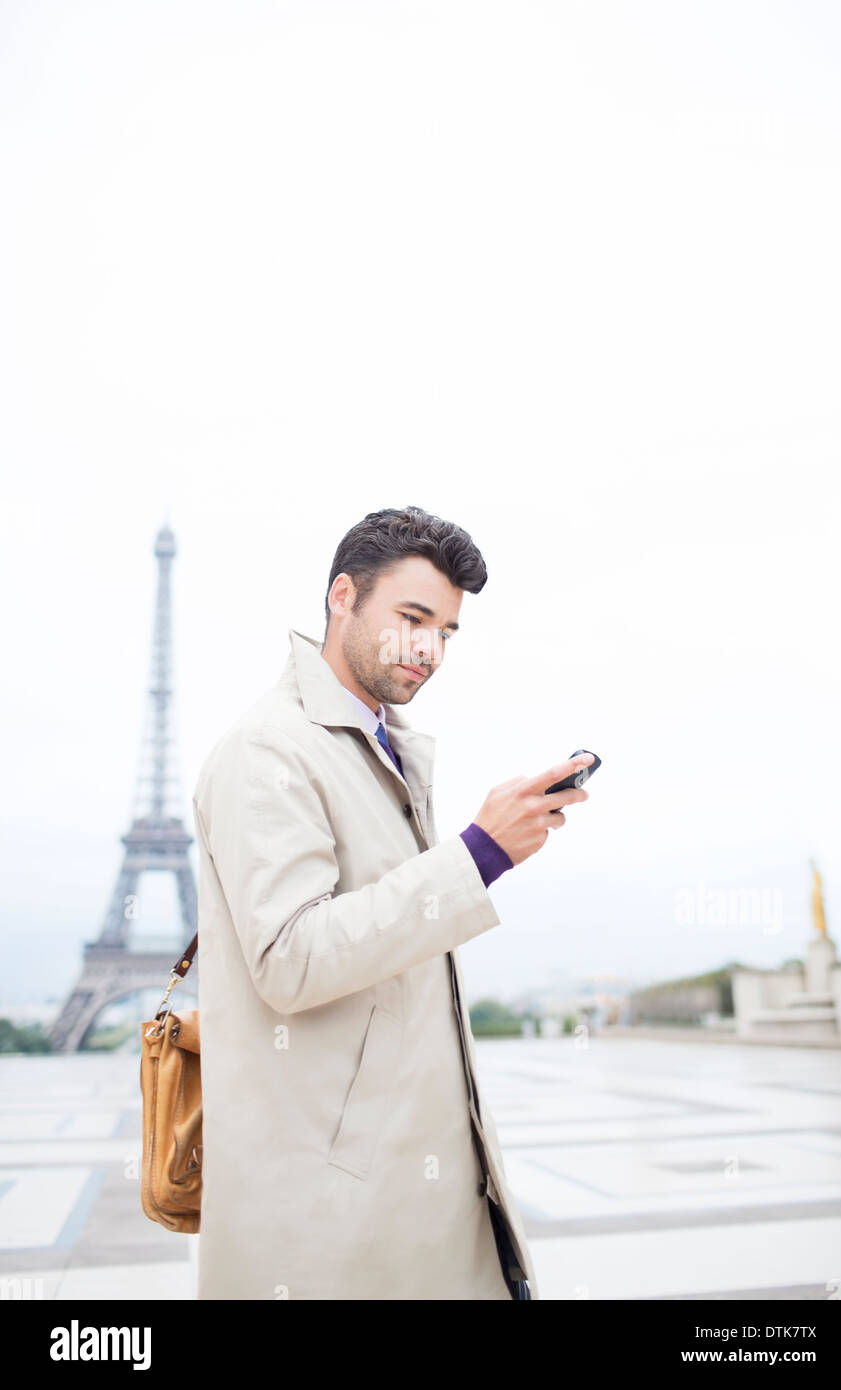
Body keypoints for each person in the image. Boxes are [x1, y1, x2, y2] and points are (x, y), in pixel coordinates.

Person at [192, 504, 592, 1300]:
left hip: (415, 1191)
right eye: (412, 618)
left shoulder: (376, 744)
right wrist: (478, 855)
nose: (429, 649)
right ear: (343, 596)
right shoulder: (269, 747)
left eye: (446, 630)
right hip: (333, 1219)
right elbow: (291, 958)